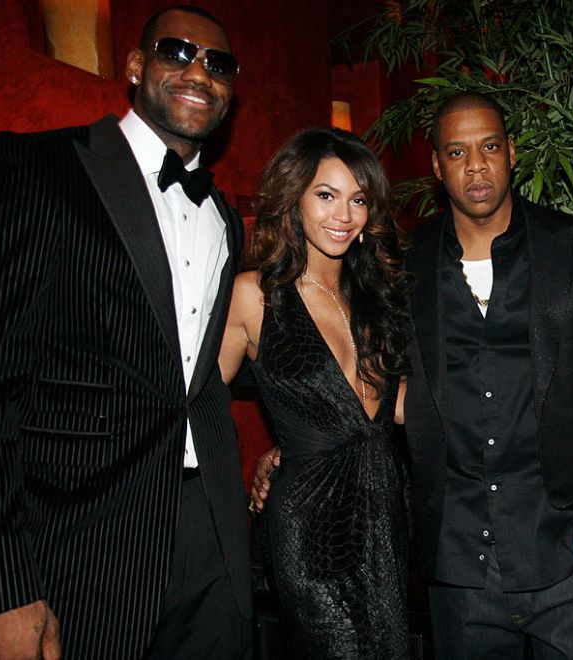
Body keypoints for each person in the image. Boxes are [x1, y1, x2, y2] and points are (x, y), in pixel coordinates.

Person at [255, 92, 573, 658]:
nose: (477, 166)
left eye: (490, 147)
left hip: (568, 552)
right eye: (457, 152)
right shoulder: (401, 264)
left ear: (512, 153)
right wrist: (293, 447)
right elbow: (360, 381)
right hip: (458, 563)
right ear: (437, 167)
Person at [0, 6, 252, 658]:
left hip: (209, 538)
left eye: (218, 64)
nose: (199, 72)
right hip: (79, 542)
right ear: (133, 66)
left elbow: (197, 378)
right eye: (177, 52)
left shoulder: (223, 215)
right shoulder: (36, 168)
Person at [219, 127, 414, 658]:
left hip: (386, 514)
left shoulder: (379, 295)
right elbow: (199, 406)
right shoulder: (254, 296)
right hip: (310, 528)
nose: (343, 215)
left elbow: (395, 409)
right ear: (294, 199)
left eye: (358, 200)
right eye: (326, 195)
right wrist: (267, 461)